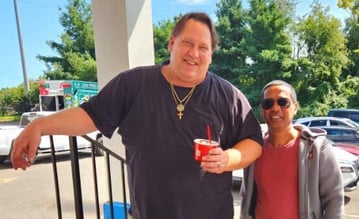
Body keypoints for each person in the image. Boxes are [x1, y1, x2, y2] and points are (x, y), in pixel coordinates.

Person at [11, 12, 263, 219]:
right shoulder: (133, 84)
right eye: (187, 43)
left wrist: (228, 159)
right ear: (172, 43)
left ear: (211, 55)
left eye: (203, 48)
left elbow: (253, 142)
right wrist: (40, 125)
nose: (194, 53)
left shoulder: (228, 95)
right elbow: (90, 115)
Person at [240, 80, 344, 219]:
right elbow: (246, 197)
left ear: (295, 107)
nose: (276, 108)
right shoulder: (255, 150)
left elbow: (334, 200)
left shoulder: (317, 149)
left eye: (283, 102)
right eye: (268, 103)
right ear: (262, 111)